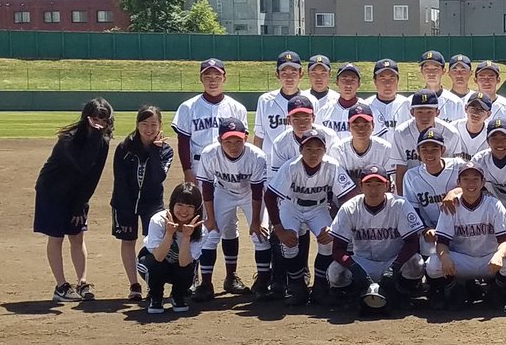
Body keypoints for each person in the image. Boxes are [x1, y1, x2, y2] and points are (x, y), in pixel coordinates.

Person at [265, 129, 358, 306]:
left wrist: (335, 227)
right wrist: (279, 229)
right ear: (301, 150)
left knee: (328, 240)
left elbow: (350, 197)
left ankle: (319, 287)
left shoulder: (332, 166)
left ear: (325, 150)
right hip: (291, 206)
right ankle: (297, 286)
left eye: (318, 149)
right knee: (289, 242)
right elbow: (270, 196)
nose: (314, 153)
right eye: (308, 149)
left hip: (318, 207)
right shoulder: (291, 167)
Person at [35, 98, 114, 303]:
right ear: (86, 118)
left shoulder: (103, 141)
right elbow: (83, 164)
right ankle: (61, 286)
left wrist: (80, 204)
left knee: (77, 236)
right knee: (56, 237)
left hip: (76, 193)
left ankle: (82, 282)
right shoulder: (68, 140)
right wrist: (95, 135)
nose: (99, 124)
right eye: (95, 119)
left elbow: (93, 176)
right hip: (53, 191)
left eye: (103, 120)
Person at [327, 165, 426, 314]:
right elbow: (337, 249)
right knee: (335, 271)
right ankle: (353, 297)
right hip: (363, 263)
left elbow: (412, 242)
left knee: (416, 263)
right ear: (360, 186)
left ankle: (400, 294)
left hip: (393, 261)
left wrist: (395, 266)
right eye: (368, 184)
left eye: (379, 184)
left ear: (387, 185)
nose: (373, 190)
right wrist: (354, 268)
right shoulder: (349, 208)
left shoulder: (399, 204)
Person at [193, 117, 271, 301]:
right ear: (219, 140)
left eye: (238, 140)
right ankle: (206, 284)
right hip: (223, 191)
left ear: (246, 137)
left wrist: (256, 221)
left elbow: (257, 191)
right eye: (228, 141)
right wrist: (210, 218)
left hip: (250, 193)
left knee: (260, 235)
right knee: (210, 234)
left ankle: (262, 283)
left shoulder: (256, 155)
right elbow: (206, 188)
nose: (233, 146)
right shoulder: (209, 153)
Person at [428, 163, 506, 309]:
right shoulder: (451, 205)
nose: (471, 184)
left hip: (489, 260)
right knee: (433, 264)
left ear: (483, 182)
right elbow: (442, 241)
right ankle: (456, 289)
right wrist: (444, 256)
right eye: (465, 179)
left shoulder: (493, 204)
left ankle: (496, 289)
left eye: (475, 179)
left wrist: (499, 254)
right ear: (458, 183)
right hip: (461, 261)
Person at [111, 105, 174, 301]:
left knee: (154, 242)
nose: (149, 129)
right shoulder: (125, 147)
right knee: (128, 240)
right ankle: (134, 285)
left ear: (160, 125)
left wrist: (154, 152)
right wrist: (123, 207)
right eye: (144, 124)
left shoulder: (166, 150)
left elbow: (158, 177)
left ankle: (153, 283)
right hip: (125, 202)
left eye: (153, 124)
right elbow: (120, 180)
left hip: (152, 203)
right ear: (137, 125)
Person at [401, 128, 468, 292]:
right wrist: (425, 229)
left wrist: (455, 191)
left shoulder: (458, 165)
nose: (429, 153)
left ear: (443, 150)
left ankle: (467, 283)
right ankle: (438, 288)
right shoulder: (411, 176)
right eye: (424, 149)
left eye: (434, 148)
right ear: (418, 152)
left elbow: (475, 186)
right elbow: (412, 210)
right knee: (428, 248)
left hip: (461, 226)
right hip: (432, 227)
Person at [171, 58, 248, 184]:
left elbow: (242, 141)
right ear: (201, 78)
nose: (212, 81)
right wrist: (187, 170)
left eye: (217, 76)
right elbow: (183, 141)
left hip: (229, 165)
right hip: (198, 165)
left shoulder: (237, 108)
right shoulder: (188, 107)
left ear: (224, 78)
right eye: (207, 77)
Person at [138, 182, 205, 314]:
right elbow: (158, 257)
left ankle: (177, 296)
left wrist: (186, 237)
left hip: (179, 265)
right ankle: (155, 296)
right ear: (172, 204)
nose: (184, 211)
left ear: (197, 209)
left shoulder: (201, 230)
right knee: (154, 264)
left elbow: (184, 263)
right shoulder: (158, 220)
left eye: (190, 206)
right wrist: (169, 234)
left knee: (188, 268)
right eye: (180, 205)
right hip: (156, 261)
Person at [386, 89, 461, 191]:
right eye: (420, 112)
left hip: (445, 187)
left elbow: (456, 169)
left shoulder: (451, 133)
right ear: (412, 112)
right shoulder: (401, 133)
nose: (425, 117)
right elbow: (400, 169)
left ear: (437, 112)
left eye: (429, 112)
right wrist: (402, 197)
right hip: (414, 187)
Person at [253, 51, 315, 149]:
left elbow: (316, 133)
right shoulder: (265, 100)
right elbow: (259, 135)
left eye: (294, 73)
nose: (289, 78)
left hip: (301, 156)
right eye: (284, 73)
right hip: (271, 157)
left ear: (301, 74)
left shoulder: (311, 100)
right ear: (277, 74)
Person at [329, 103, 394, 186]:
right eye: (356, 125)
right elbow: (337, 185)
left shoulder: (385, 149)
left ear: (373, 126)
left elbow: (389, 184)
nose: (361, 130)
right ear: (348, 126)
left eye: (366, 125)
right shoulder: (337, 150)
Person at [317, 63, 366, 141]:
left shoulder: (368, 110)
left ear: (359, 83)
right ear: (337, 82)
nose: (348, 85)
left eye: (353, 80)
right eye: (344, 79)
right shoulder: (324, 111)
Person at [365, 59, 412, 138]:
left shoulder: (407, 104)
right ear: (375, 81)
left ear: (397, 80)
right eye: (382, 79)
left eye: (392, 79)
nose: (387, 84)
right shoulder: (366, 106)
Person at [418, 50, 465, 122]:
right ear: (421, 71)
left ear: (443, 71)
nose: (431, 73)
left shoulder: (456, 102)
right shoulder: (411, 102)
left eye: (436, 69)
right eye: (427, 69)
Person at [472, 61, 506, 128]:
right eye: (482, 78)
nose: (487, 82)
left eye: (491, 78)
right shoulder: (469, 105)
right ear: (475, 80)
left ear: (498, 80)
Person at [449, 91, 493, 161]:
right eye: (473, 109)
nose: (475, 114)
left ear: (488, 114)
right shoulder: (452, 128)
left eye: (481, 110)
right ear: (466, 108)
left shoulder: (492, 133)